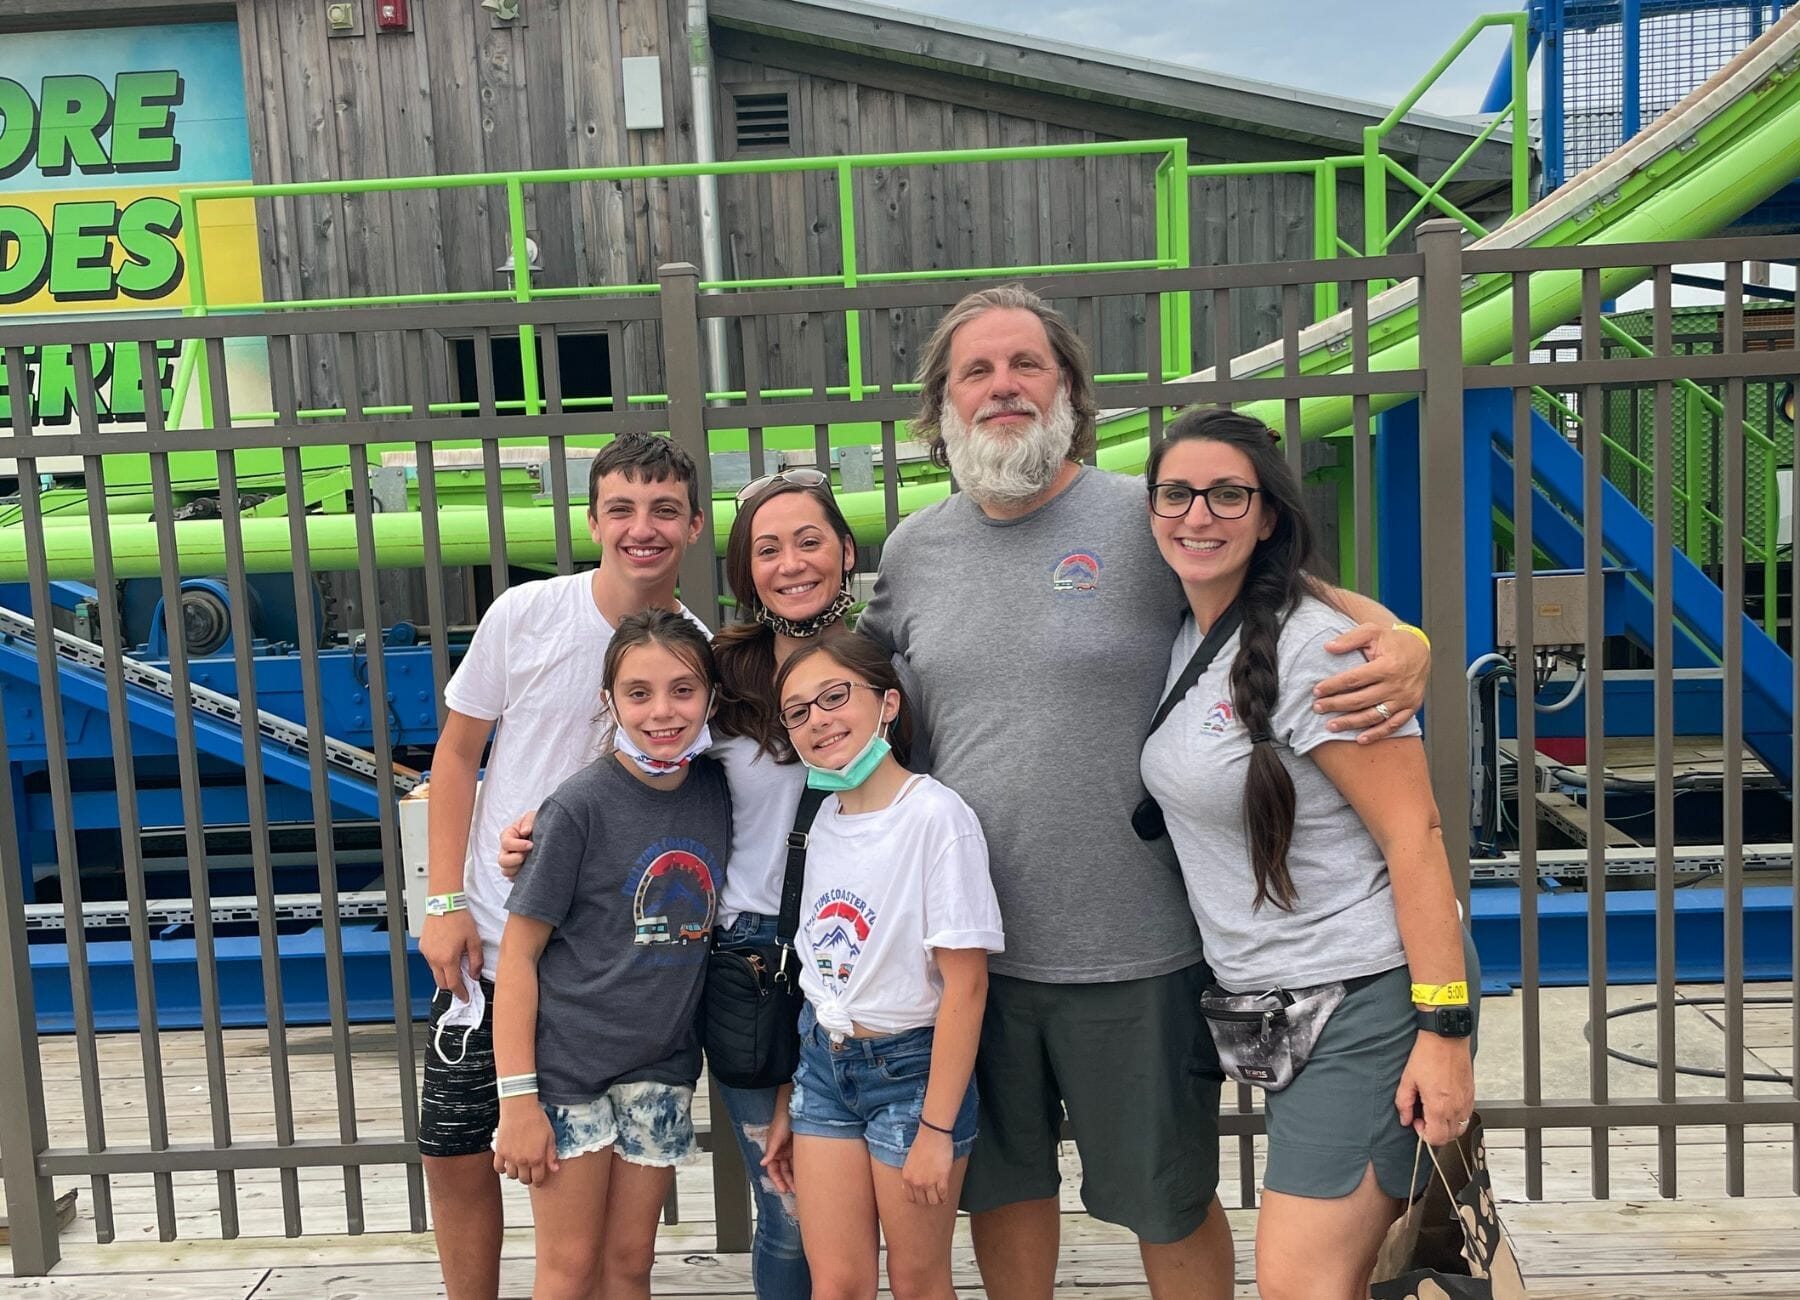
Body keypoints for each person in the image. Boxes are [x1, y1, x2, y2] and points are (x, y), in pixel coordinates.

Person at [855, 284, 1434, 1300]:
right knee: (1004, 1196)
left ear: (1070, 390)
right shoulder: (913, 550)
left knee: (1166, 1202)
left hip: (1139, 950)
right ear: (942, 404)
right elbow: (858, 698)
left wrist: (1406, 639)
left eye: (1026, 365)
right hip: (974, 953)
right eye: (976, 371)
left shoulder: (1150, 514)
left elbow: (1290, 596)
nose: (1003, 387)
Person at [500, 466, 867, 1297]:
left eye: (809, 541)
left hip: (847, 955)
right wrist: (535, 831)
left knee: (827, 1201)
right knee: (782, 1204)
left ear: (847, 552)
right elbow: (624, 790)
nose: (664, 708)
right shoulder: (727, 675)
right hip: (740, 965)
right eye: (767, 549)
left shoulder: (881, 667)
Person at [1138, 407, 1476, 1300]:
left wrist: (1444, 1033)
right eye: (1177, 493)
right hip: (1276, 1000)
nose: (1198, 515)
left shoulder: (1316, 652)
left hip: (1366, 996)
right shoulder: (1191, 629)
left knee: (1300, 1284)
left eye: (1228, 495)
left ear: (1268, 517)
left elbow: (1416, 835)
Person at [417, 432, 706, 1300]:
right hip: (495, 939)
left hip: (609, 969)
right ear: (592, 521)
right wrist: (443, 899)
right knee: (456, 1150)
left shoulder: (694, 654)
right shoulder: (526, 614)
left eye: (663, 510)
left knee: (589, 1232)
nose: (642, 528)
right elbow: (456, 755)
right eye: (622, 508)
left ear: (694, 526)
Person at [491, 609, 732, 1299]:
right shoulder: (577, 807)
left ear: (711, 697)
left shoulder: (717, 789)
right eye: (638, 692)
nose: (662, 711)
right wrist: (518, 1101)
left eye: (683, 690)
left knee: (630, 1264)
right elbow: (517, 958)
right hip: (569, 1072)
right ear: (609, 700)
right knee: (569, 1267)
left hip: (661, 1065)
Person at [759, 632, 1002, 1300]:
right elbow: (819, 976)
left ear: (887, 704)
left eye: (835, 697)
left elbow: (967, 986)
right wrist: (790, 1099)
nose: (818, 720)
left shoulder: (936, 818)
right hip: (823, 1068)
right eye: (798, 711)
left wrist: (936, 1129)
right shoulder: (817, 824)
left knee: (918, 1281)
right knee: (837, 1282)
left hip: (910, 1075)